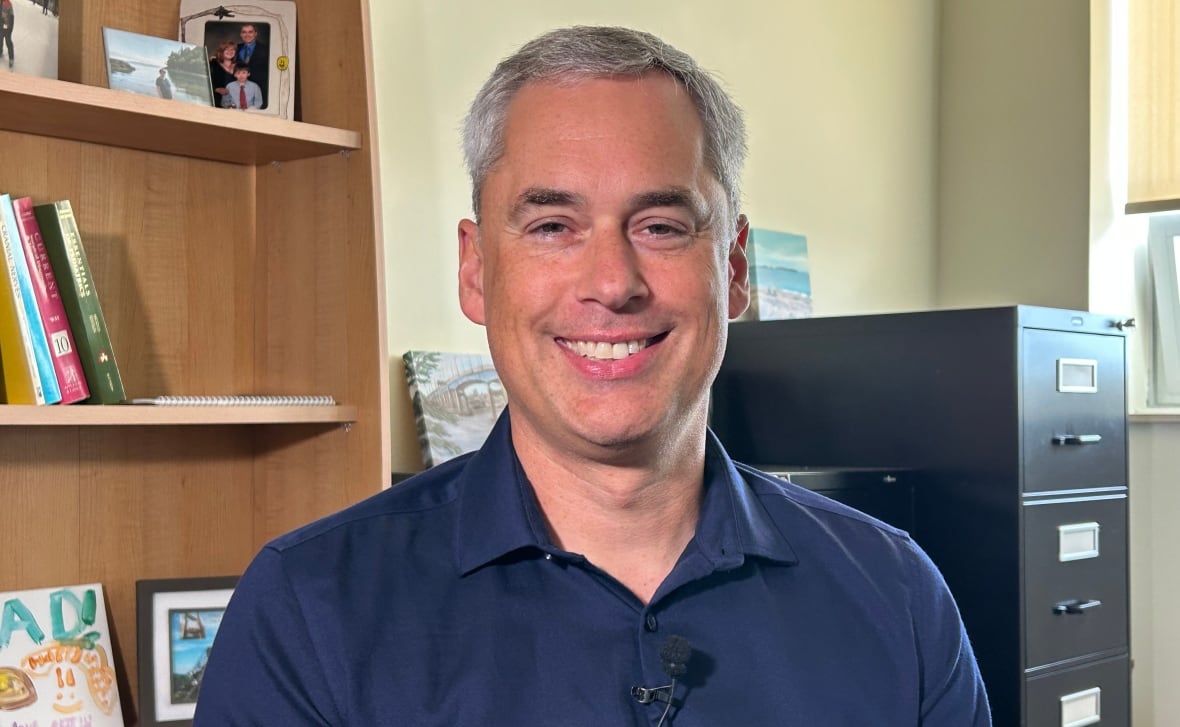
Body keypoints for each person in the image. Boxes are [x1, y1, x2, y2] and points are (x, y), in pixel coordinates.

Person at [193, 26, 992, 725]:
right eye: (551, 226)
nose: (612, 282)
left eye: (661, 225)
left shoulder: (898, 596)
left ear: (735, 268)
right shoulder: (308, 608)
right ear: (475, 271)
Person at [234, 23, 267, 108]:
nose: (247, 35)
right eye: (244, 32)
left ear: (255, 34)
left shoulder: (266, 49)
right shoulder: (236, 48)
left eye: (250, 32)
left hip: (259, 90)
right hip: (238, 89)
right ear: (241, 34)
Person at [208, 40, 237, 108]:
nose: (230, 52)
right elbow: (204, 82)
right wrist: (216, 89)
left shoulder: (240, 66)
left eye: (232, 49)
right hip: (217, 102)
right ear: (221, 51)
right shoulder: (213, 64)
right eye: (226, 49)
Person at [0, 0, 13, 70]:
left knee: (8, 42)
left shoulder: (8, 3)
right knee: (0, 40)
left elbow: (12, 17)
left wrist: (10, 28)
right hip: (1, 26)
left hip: (7, 27)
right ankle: (0, 52)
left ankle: (11, 58)